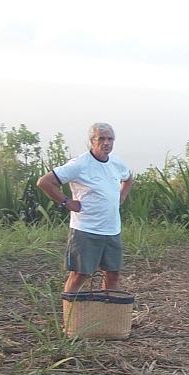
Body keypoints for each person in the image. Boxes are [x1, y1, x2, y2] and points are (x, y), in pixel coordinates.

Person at [36, 123, 134, 293]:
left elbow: (128, 178)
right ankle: (71, 315)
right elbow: (44, 182)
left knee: (113, 274)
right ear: (92, 141)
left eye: (110, 139)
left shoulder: (116, 163)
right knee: (80, 275)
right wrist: (67, 202)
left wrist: (122, 196)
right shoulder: (80, 164)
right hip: (86, 229)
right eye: (101, 139)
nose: (106, 143)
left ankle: (109, 312)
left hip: (112, 230)